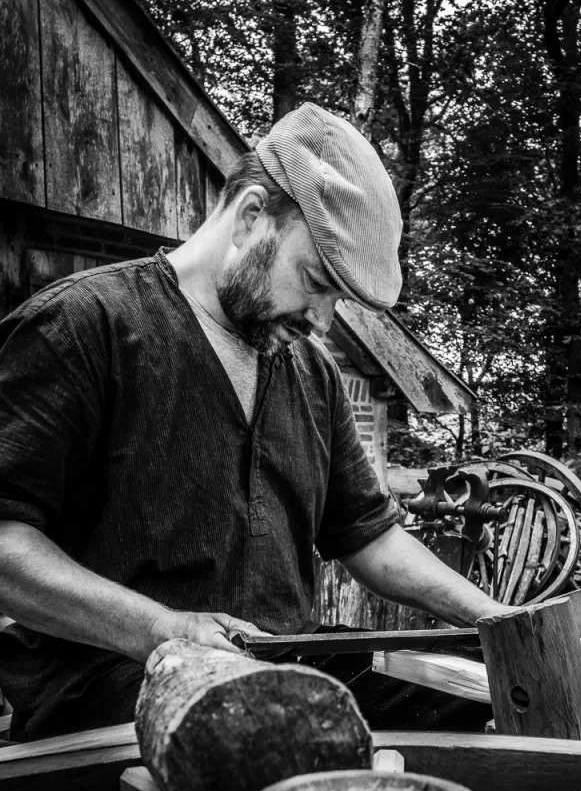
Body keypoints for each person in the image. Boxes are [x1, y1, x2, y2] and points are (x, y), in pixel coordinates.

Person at [0, 103, 508, 741]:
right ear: (249, 218)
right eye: (316, 281)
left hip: (281, 663)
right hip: (114, 677)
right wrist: (167, 629)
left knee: (462, 695)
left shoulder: (311, 374)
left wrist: (497, 619)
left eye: (337, 299)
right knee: (274, 729)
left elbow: (368, 539)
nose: (322, 321)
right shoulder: (81, 326)